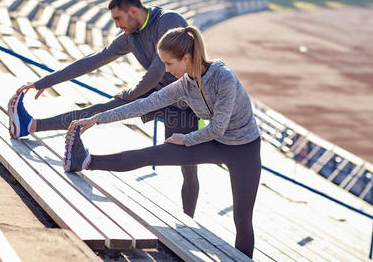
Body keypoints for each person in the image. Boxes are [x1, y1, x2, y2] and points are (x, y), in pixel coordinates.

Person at [63, 26, 262, 258]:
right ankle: (85, 161)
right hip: (212, 141)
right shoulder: (186, 83)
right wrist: (97, 119)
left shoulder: (224, 78)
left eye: (169, 64)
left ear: (186, 58)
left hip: (244, 149)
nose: (166, 70)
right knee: (152, 154)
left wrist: (186, 139)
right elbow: (145, 104)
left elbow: (217, 128)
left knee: (242, 218)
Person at [8, 0, 200, 217]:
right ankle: (29, 125)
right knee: (99, 110)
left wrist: (129, 94)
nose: (117, 25)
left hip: (184, 101)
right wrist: (46, 81)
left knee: (187, 166)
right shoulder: (131, 36)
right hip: (153, 94)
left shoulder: (169, 21)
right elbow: (94, 60)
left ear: (133, 11)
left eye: (118, 18)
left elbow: (158, 71)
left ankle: (188, 223)